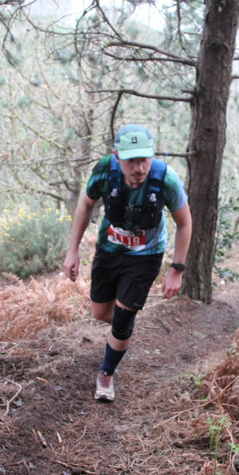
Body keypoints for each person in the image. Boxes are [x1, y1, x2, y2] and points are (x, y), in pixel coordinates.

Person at [64, 124, 192, 402]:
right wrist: (72, 251)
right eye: (131, 160)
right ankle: (124, 327)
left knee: (121, 321)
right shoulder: (103, 170)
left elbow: (185, 223)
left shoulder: (166, 179)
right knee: (100, 313)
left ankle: (106, 372)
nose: (139, 168)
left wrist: (176, 269)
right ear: (116, 156)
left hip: (146, 255)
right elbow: (85, 205)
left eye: (144, 159)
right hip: (109, 250)